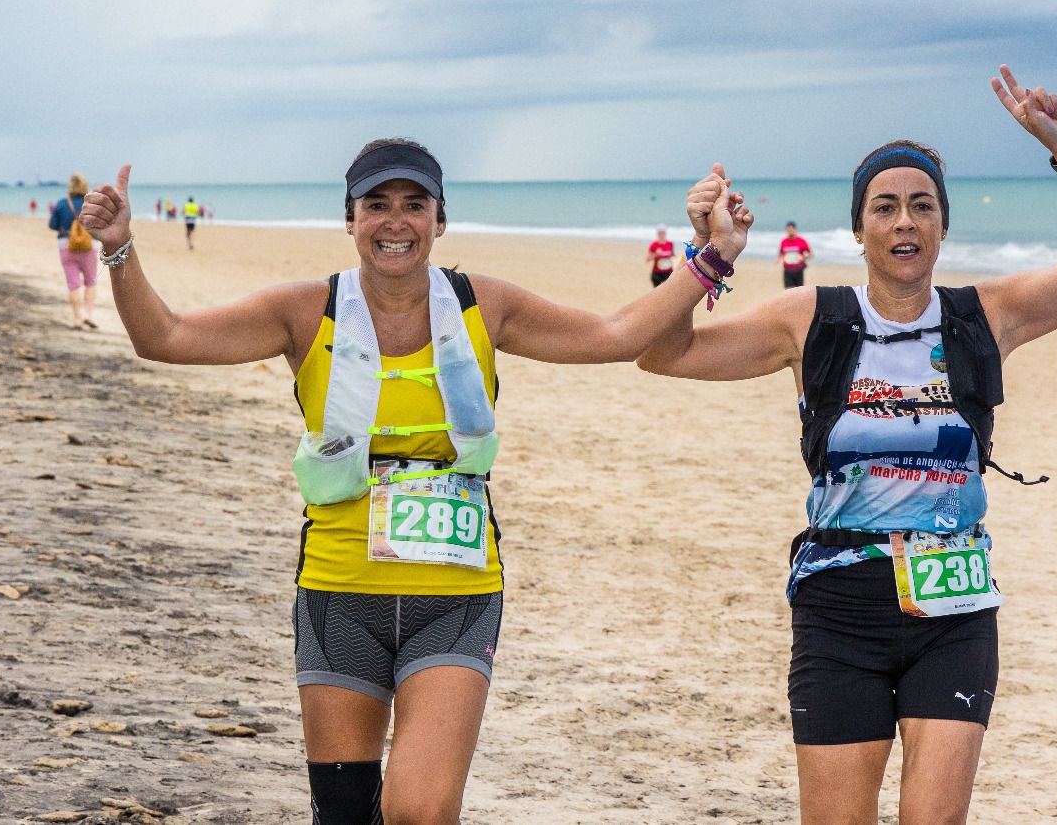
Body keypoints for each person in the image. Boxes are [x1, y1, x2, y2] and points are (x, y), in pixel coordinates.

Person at [79, 137, 750, 825]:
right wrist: (119, 248)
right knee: (343, 813)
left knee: (420, 813)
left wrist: (714, 256)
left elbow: (615, 334)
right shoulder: (306, 310)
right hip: (340, 593)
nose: (395, 222)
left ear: (440, 220)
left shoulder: (481, 305)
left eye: (413, 205)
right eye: (377, 205)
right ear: (350, 220)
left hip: (454, 596)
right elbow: (166, 337)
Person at [638, 66, 1057, 825]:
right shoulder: (812, 319)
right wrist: (709, 252)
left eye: (921, 206)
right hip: (838, 604)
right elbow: (661, 351)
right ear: (860, 229)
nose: (905, 221)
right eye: (886, 207)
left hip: (955, 603)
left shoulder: (989, 316)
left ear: (944, 225)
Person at [49, 174, 99, 330]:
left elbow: (52, 225)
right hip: (89, 245)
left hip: (66, 245)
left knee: (73, 283)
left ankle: (78, 317)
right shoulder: (92, 204)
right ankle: (88, 315)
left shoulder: (62, 204)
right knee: (91, 281)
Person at [779, 221, 812, 288]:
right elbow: (781, 253)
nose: (789, 231)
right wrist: (780, 258)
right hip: (787, 271)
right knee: (788, 292)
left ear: (795, 229)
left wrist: (803, 258)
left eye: (791, 229)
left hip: (798, 270)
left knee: (799, 293)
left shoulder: (801, 241)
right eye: (788, 229)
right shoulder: (784, 241)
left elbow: (810, 254)